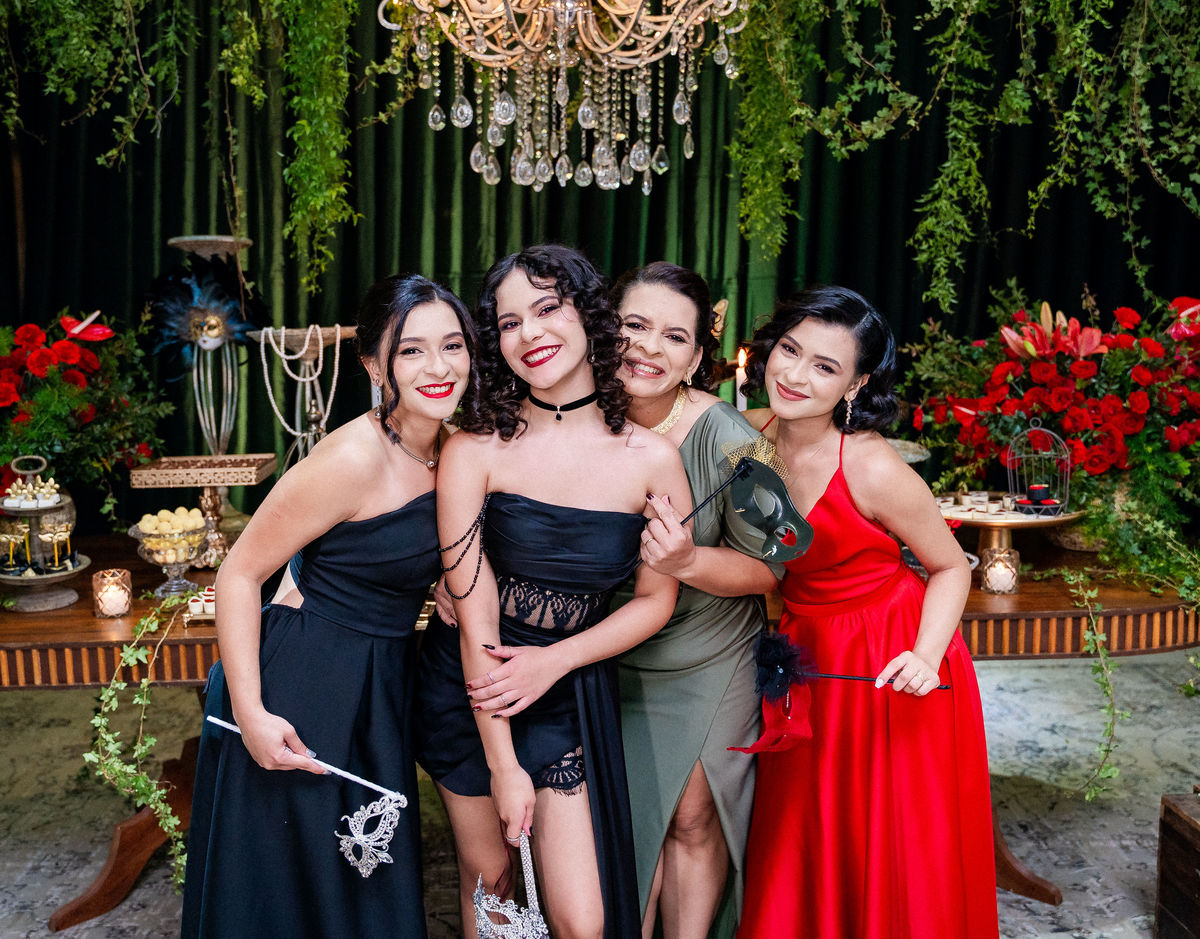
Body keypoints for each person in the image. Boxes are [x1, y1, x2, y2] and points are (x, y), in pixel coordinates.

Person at [181, 274, 479, 939]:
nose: (438, 367)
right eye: (411, 350)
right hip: (304, 684)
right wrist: (252, 714)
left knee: (356, 886)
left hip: (378, 683)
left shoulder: (450, 448)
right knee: (295, 891)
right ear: (373, 364)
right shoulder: (353, 458)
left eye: (452, 345)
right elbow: (239, 573)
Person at [415, 244, 691, 939]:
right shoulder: (473, 450)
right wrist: (504, 764)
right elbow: (474, 611)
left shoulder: (654, 459)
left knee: (582, 919)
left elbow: (656, 601)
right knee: (493, 881)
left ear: (589, 315)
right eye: (509, 323)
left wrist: (556, 661)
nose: (530, 333)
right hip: (467, 686)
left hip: (566, 691)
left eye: (547, 309)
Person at [736, 286, 999, 938]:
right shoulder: (750, 433)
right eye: (790, 350)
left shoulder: (872, 467)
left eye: (825, 366)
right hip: (809, 650)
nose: (796, 374)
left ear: (855, 384)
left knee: (890, 837)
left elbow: (951, 567)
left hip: (891, 657)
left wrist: (926, 657)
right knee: (806, 825)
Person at [609, 262, 782, 938]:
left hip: (708, 652)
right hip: (604, 653)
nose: (650, 348)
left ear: (696, 356)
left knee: (689, 814)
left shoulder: (734, 440)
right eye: (634, 325)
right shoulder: (573, 413)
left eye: (675, 337)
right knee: (619, 819)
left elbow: (774, 569)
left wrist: (687, 561)